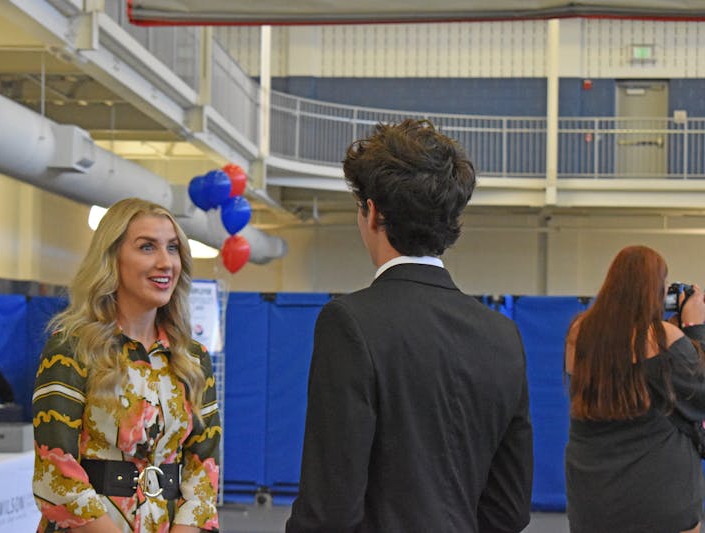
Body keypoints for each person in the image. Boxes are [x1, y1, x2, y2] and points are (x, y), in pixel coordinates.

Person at [285, 119, 534, 533]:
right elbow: (510, 507)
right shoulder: (502, 335)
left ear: (372, 212)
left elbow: (331, 507)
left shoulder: (349, 323)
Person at [32, 198, 220, 532]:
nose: (165, 262)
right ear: (111, 258)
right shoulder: (73, 347)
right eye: (147, 247)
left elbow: (203, 468)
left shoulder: (193, 358)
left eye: (173, 248)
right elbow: (55, 470)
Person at [565, 245, 705, 533]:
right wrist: (693, 328)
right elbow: (698, 396)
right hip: (660, 498)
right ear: (654, 290)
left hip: (593, 501)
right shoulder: (667, 338)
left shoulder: (579, 332)